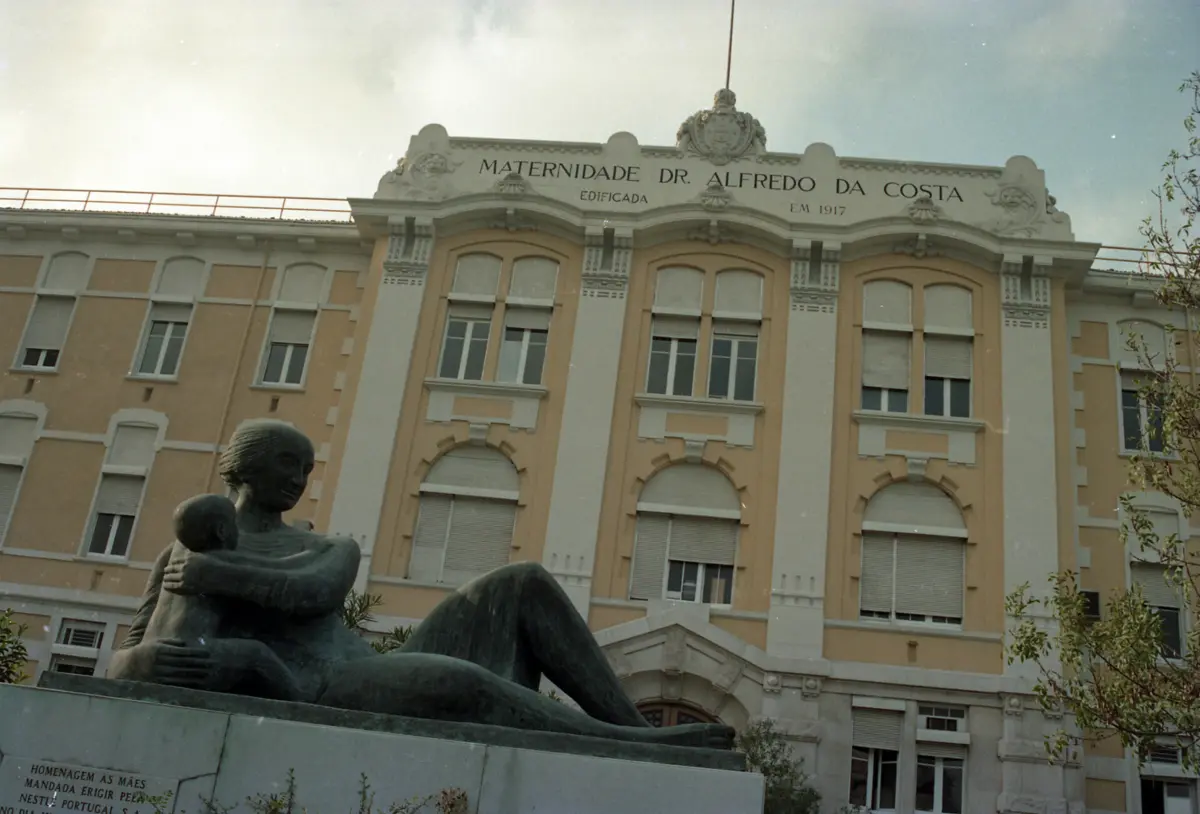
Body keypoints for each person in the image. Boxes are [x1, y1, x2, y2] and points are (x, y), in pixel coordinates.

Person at [109, 420, 733, 749]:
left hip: (357, 671)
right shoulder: (185, 553)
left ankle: (632, 734)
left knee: (523, 583)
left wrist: (219, 574)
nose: (299, 478)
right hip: (321, 688)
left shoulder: (325, 547)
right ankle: (625, 742)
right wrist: (162, 660)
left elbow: (317, 594)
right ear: (245, 466)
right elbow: (124, 659)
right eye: (286, 464)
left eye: (306, 467)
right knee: (460, 683)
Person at [139, 493, 303, 701]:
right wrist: (306, 553)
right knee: (257, 654)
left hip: (160, 646)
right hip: (193, 651)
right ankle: (300, 698)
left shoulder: (178, 560)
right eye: (235, 524)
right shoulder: (220, 559)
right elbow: (278, 567)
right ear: (222, 531)